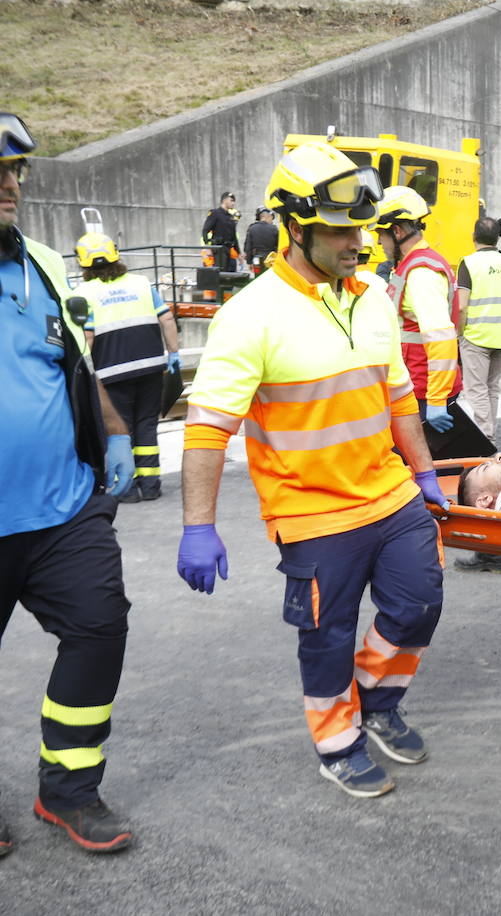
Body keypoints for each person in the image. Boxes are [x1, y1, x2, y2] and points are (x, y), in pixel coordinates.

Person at [176, 142, 450, 799]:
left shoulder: (374, 300)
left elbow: (398, 398)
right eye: (339, 228)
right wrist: (198, 525)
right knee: (325, 636)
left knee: (420, 603)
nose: (357, 241)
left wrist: (423, 472)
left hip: (387, 493)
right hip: (311, 512)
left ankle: (376, 700)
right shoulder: (251, 315)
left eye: (360, 226)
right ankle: (339, 742)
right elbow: (209, 427)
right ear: (295, 227)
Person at [0, 111, 138, 854]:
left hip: (60, 511)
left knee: (98, 626)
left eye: (15, 170)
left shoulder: (45, 266)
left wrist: (115, 433)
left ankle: (69, 790)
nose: (10, 183)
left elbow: (78, 368)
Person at [71, 233, 181, 502]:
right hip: (150, 367)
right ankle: (152, 484)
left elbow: (87, 337)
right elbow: (166, 319)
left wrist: (85, 371)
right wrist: (173, 354)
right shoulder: (141, 284)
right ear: (115, 254)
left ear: (83, 263)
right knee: (146, 425)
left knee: (122, 430)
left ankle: (128, 489)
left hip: (110, 373)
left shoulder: (82, 293)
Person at [375, 186, 462, 441]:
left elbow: (441, 338)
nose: (379, 242)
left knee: (423, 469)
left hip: (424, 393)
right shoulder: (413, 266)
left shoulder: (421, 273)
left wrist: (436, 401)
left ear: (397, 231)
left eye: (381, 234)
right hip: (418, 387)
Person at [453, 215, 501, 443]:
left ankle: (485, 435)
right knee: (491, 387)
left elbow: (461, 306)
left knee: (476, 389)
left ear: (474, 237)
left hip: (475, 336)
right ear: (497, 239)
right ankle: (489, 433)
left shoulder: (469, 263)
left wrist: (458, 333)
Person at [200, 190, 239, 271]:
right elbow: (205, 230)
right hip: (219, 249)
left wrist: (239, 253)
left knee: (229, 274)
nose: (233, 203)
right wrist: (207, 247)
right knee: (220, 273)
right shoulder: (215, 213)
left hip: (228, 250)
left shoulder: (230, 217)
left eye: (234, 201)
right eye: (231, 200)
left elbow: (234, 237)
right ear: (224, 200)